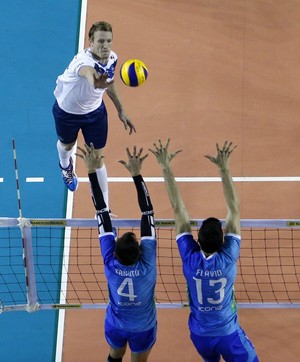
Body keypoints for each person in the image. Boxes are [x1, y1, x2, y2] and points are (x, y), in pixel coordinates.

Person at [150, 139, 259, 362]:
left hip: (200, 335)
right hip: (228, 334)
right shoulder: (228, 257)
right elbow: (234, 209)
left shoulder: (190, 257)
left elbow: (178, 208)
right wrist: (224, 167)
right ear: (223, 240)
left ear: (196, 239)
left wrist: (165, 167)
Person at [76, 143, 157, 362]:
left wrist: (91, 171)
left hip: (116, 325)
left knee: (115, 355)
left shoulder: (111, 263)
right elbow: (147, 212)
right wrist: (137, 174)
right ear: (140, 252)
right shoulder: (146, 264)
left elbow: (101, 211)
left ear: (115, 252)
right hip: (143, 327)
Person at [53, 20, 136, 208]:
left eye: (108, 41)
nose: (105, 45)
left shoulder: (113, 58)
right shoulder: (83, 62)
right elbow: (88, 73)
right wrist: (95, 82)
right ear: (90, 42)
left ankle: (103, 210)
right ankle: (65, 167)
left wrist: (121, 110)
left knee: (98, 159)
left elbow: (111, 82)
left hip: (95, 113)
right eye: (100, 41)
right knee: (67, 147)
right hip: (67, 112)